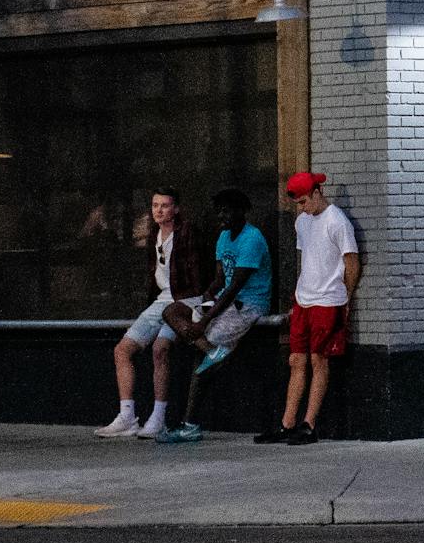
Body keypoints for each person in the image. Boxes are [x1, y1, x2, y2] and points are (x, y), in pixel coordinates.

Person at [157, 187, 273, 444]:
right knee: (171, 311)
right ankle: (211, 349)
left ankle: (190, 425)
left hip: (248, 305)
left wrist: (205, 321)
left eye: (227, 210)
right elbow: (221, 279)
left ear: (241, 212)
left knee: (201, 365)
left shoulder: (251, 239)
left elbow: (235, 287)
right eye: (219, 210)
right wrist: (204, 301)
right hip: (223, 301)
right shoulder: (223, 237)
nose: (222, 215)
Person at [257, 170, 358, 446]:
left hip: (328, 300)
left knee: (318, 359)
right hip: (304, 298)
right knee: (296, 360)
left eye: (304, 201)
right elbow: (308, 258)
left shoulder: (337, 221)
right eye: (298, 204)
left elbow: (352, 263)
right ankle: (287, 423)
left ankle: (309, 424)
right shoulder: (302, 222)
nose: (301, 208)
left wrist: (345, 298)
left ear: (317, 193)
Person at [96, 187, 205, 440]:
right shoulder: (153, 233)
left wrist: (198, 304)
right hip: (161, 300)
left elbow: (198, 272)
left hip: (184, 300)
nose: (158, 210)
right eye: (155, 205)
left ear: (176, 208)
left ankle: (158, 417)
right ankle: (127, 416)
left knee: (160, 349)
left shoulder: (186, 232)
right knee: (122, 350)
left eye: (165, 205)